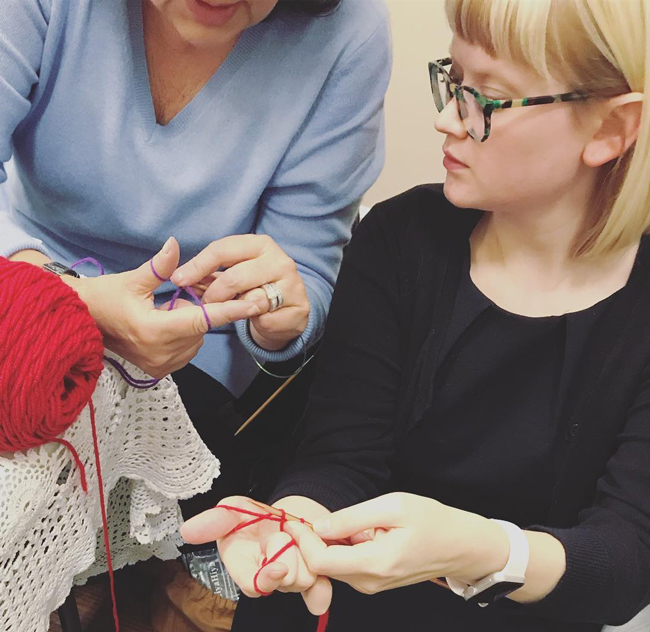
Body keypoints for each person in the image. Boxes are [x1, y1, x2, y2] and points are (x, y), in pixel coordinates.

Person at [181, 0, 650, 630]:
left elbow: (625, 561)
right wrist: (291, 524)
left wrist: (483, 552)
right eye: (453, 81)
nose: (447, 119)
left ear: (611, 130)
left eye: (487, 99)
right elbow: (340, 457)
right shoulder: (404, 238)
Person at [0, 0, 391, 507]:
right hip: (21, 281)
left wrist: (279, 314)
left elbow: (307, 277)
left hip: (193, 349)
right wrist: (72, 298)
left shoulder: (350, 33)